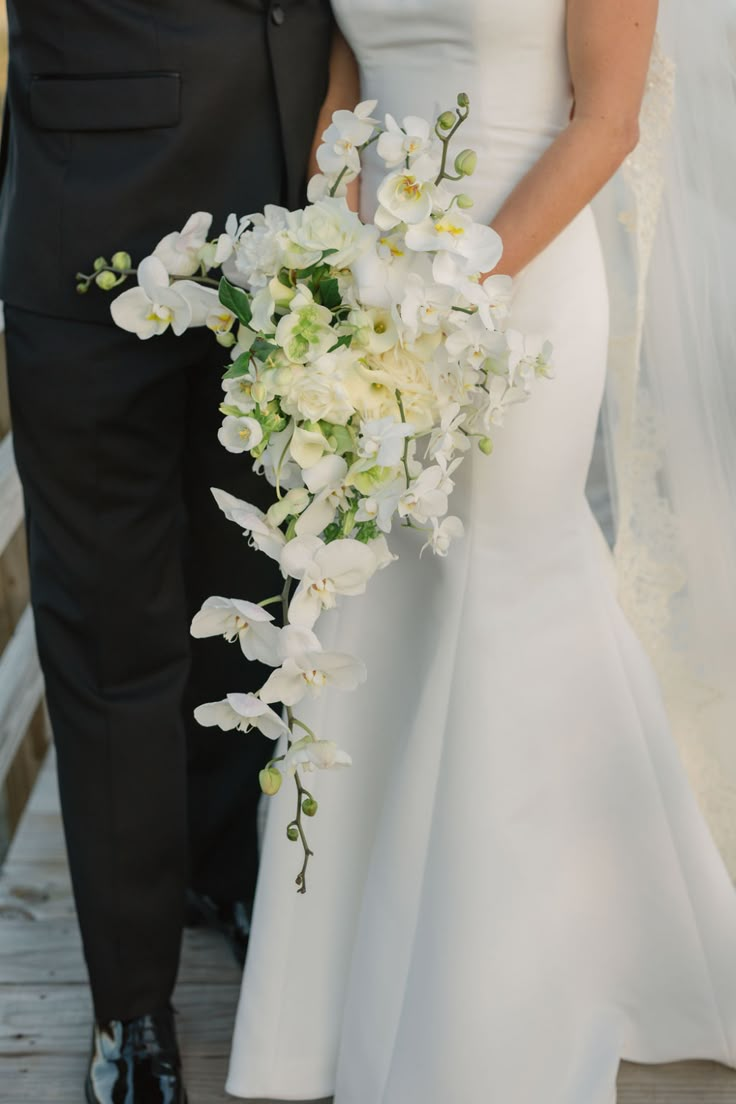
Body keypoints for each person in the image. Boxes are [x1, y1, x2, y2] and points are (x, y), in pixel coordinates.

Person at [226, 1, 736, 1102]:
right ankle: (331, 1003)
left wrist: (459, 291)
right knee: (371, 599)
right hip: (372, 287)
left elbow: (604, 123)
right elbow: (344, 88)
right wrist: (328, 271)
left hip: (523, 283)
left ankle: (499, 1000)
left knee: (504, 581)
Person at [0, 2, 332, 1101]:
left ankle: (223, 869)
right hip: (94, 217)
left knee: (255, 575)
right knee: (111, 629)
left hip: (301, 218)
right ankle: (129, 1007)